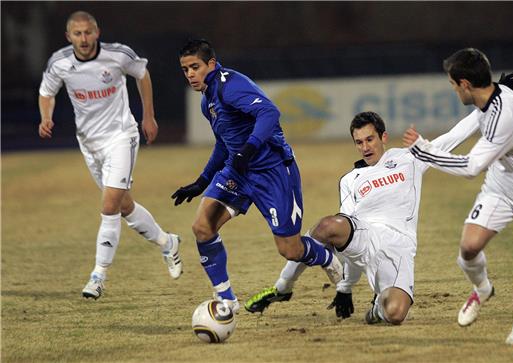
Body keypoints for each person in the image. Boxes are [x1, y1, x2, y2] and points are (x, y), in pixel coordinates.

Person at [245, 110, 483, 324]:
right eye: (359, 142)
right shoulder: (351, 180)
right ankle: (283, 287)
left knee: (396, 314)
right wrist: (345, 287)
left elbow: (454, 136)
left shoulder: (409, 158)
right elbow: (346, 239)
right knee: (328, 226)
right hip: (365, 235)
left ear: (383, 137)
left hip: (400, 246)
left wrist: (488, 102)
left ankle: (377, 307)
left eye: (370, 139)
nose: (365, 147)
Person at [402, 48, 513, 344]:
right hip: (503, 185)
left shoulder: (503, 115)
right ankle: (483, 289)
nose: (452, 90)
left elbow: (472, 166)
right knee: (469, 247)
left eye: (453, 85)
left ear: (465, 84)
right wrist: (417, 160)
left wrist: (424, 151)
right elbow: (462, 130)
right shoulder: (489, 98)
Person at [171, 39, 343, 313]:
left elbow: (269, 112)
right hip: (238, 172)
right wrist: (202, 181)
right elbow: (223, 144)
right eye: (185, 69)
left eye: (195, 67)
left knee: (290, 250)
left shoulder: (229, 85)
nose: (190, 74)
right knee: (202, 227)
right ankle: (227, 300)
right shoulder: (208, 101)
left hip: (272, 170)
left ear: (211, 64)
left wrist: (248, 150)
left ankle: (324, 256)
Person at [38, 11, 182, 300]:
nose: (84, 39)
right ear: (69, 37)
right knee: (124, 205)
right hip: (89, 145)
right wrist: (46, 116)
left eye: (88, 32)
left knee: (109, 205)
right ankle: (169, 243)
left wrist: (148, 117)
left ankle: (98, 276)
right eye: (77, 34)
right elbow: (46, 92)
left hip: (121, 137)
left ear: (97, 32)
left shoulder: (118, 55)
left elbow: (142, 74)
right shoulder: (60, 63)